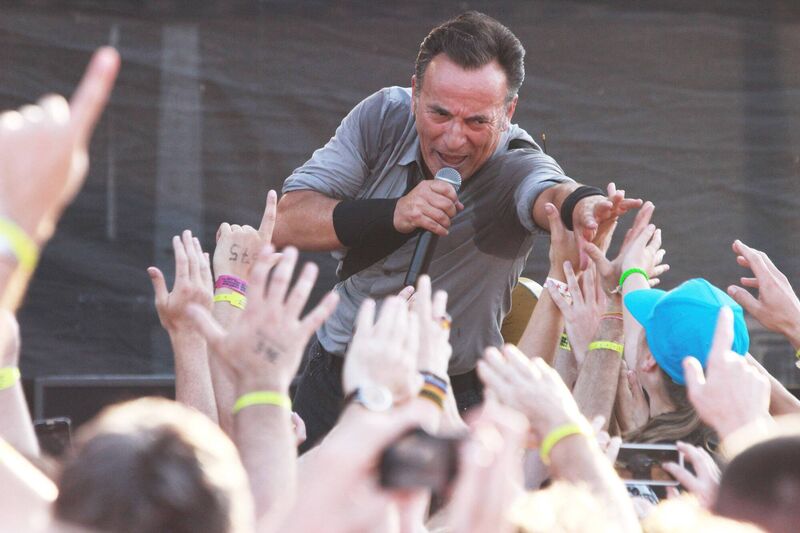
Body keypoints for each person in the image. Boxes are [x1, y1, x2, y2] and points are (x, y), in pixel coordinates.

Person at [273, 11, 640, 450]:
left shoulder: (516, 159)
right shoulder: (382, 117)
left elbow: (552, 192)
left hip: (451, 391)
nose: (452, 139)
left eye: (476, 122)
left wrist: (584, 206)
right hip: (338, 372)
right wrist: (394, 213)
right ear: (415, 93)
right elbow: (285, 220)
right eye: (440, 113)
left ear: (508, 112)